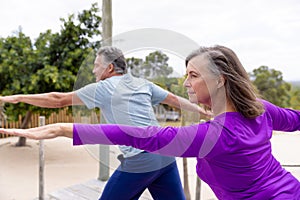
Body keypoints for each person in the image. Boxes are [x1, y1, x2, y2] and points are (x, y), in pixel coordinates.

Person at [1, 45, 299, 199]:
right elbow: (296, 119)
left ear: (219, 80)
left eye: (193, 75)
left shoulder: (214, 135)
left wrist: (63, 127)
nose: (186, 83)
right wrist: (206, 112)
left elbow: (140, 135)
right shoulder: (259, 109)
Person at [0, 46, 211, 200]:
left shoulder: (104, 88)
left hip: (140, 159)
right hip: (166, 156)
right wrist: (203, 112)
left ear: (109, 68)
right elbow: (175, 100)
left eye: (96, 66)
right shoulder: (142, 83)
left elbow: (58, 99)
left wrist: (16, 97)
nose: (93, 71)